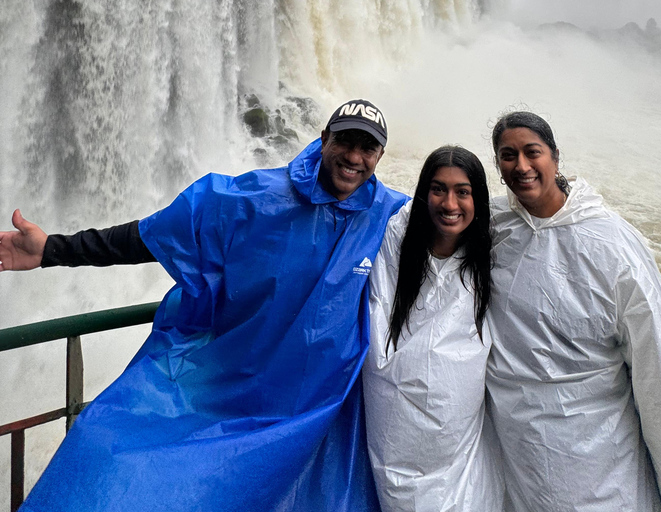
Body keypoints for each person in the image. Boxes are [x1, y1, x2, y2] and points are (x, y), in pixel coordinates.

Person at [0, 99, 408, 512]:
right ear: (323, 140)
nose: (354, 157)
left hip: (327, 406)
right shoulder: (254, 199)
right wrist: (52, 249)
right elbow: (155, 235)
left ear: (380, 156)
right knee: (106, 451)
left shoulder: (393, 217)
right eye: (345, 142)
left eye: (367, 148)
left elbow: (456, 246)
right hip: (234, 388)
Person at [485, 111, 661, 511]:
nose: (521, 166)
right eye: (507, 155)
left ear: (554, 156)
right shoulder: (495, 228)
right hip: (516, 453)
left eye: (532, 152)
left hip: (597, 458)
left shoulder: (611, 243)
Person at [363, 146, 504, 511]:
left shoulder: (493, 250)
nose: (449, 203)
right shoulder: (396, 238)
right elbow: (379, 317)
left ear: (479, 198)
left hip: (459, 431)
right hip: (396, 422)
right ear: (424, 192)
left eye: (463, 191)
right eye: (438, 189)